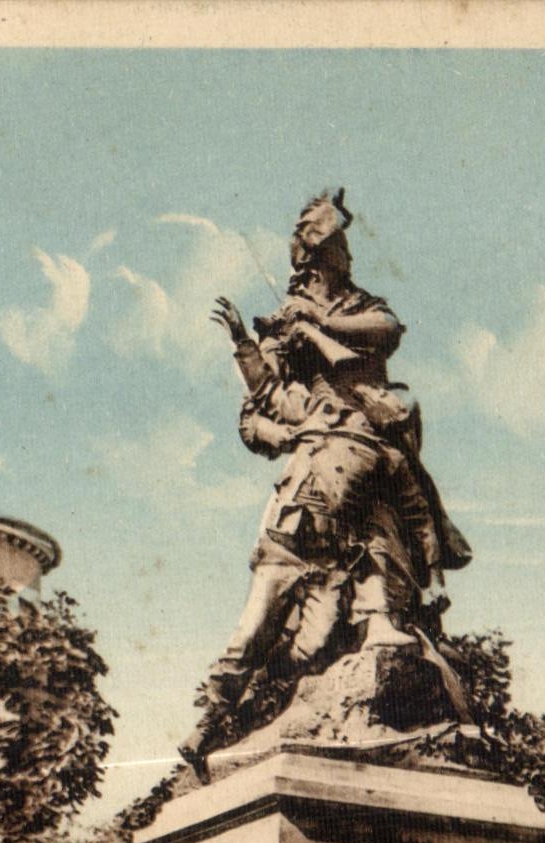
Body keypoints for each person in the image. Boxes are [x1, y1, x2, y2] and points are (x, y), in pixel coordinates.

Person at [180, 191, 471, 777]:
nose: (342, 258)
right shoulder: (291, 346)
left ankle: (383, 635)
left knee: (381, 568)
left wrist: (320, 324)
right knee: (271, 622)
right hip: (312, 479)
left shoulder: (358, 306)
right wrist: (246, 342)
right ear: (316, 258)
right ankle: (213, 721)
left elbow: (385, 330)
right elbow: (260, 399)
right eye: (333, 249)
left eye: (338, 247)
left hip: (369, 458)